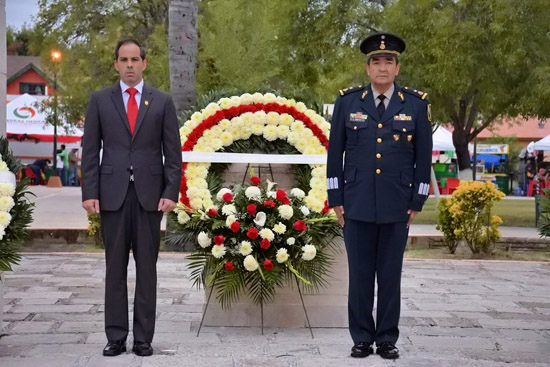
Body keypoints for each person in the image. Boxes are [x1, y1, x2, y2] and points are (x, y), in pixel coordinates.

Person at [326, 32, 432, 360]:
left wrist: (417, 201)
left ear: (397, 68)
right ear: (367, 67)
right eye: (376, 61)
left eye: (389, 61)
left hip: (397, 205)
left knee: (389, 276)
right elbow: (335, 155)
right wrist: (335, 198)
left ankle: (386, 338)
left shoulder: (415, 105)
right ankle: (361, 337)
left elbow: (423, 159)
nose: (382, 67)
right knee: (359, 276)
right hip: (355, 203)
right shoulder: (348, 102)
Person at [81, 38, 182, 357]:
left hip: (150, 198)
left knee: (147, 270)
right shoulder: (100, 100)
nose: (129, 65)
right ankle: (115, 336)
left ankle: (143, 338)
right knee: (115, 268)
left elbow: (173, 154)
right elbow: (89, 151)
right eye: (123, 60)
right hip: (111, 197)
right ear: (115, 64)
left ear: (144, 63)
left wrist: (170, 192)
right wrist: (89, 192)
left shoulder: (162, 101)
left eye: (134, 59)